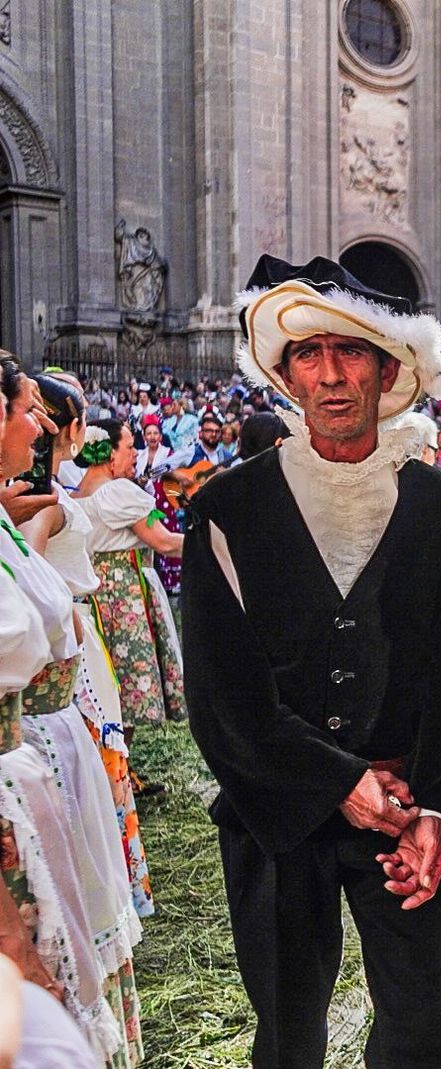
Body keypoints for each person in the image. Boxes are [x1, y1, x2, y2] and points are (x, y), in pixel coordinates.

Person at [184, 255, 441, 1069]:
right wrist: (338, 781)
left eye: (350, 350)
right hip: (275, 814)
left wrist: (437, 810)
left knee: (419, 1024)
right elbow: (223, 700)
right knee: (287, 1030)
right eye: (308, 354)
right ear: (286, 376)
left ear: (386, 369)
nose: (331, 374)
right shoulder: (226, 510)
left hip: (403, 815)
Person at [0, 360, 142, 1065]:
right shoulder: (39, 514)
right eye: (25, 409)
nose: (39, 427)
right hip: (26, 751)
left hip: (45, 749)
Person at [23, 373, 155, 921]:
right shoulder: (45, 499)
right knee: (87, 765)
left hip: (76, 628)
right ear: (74, 429)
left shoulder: (55, 491)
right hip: (67, 637)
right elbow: (29, 573)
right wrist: (66, 618)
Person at [74, 420, 185, 725]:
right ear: (110, 453)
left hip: (92, 597)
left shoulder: (76, 494)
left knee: (102, 689)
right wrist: (214, 543)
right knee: (126, 691)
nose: (136, 454)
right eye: (129, 447)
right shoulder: (118, 492)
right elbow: (164, 542)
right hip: (124, 598)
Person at [132, 419, 173, 484]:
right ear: (144, 437)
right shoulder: (138, 454)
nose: (152, 437)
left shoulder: (168, 453)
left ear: (160, 437)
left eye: (155, 433)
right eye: (149, 434)